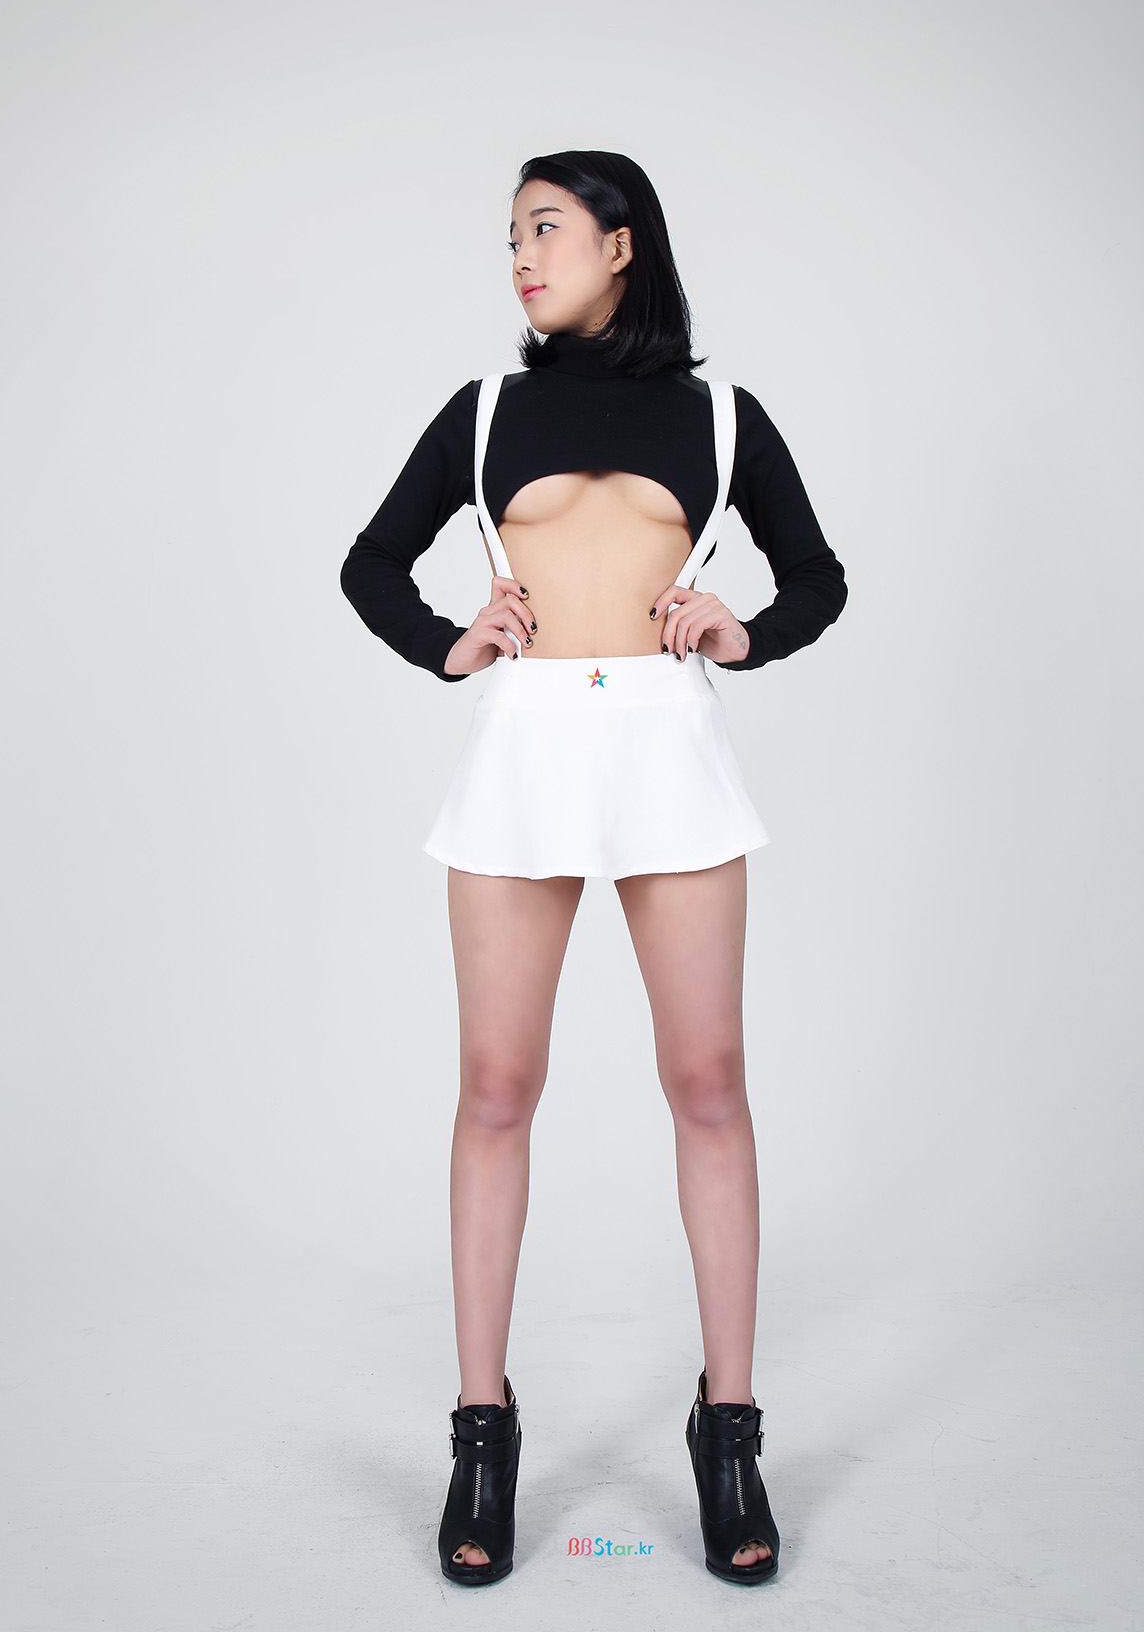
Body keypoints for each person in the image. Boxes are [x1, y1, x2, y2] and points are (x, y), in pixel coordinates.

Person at [339, 150, 847, 1588]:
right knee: (497, 1089)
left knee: (710, 1085)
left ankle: (729, 1430)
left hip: (666, 750)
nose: (520, 255)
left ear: (621, 245)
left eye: (545, 229)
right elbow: (372, 562)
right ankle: (481, 1431)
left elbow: (817, 576)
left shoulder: (721, 416)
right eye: (511, 234)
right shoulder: (485, 411)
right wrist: (449, 642)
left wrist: (747, 632)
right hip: (526, 751)